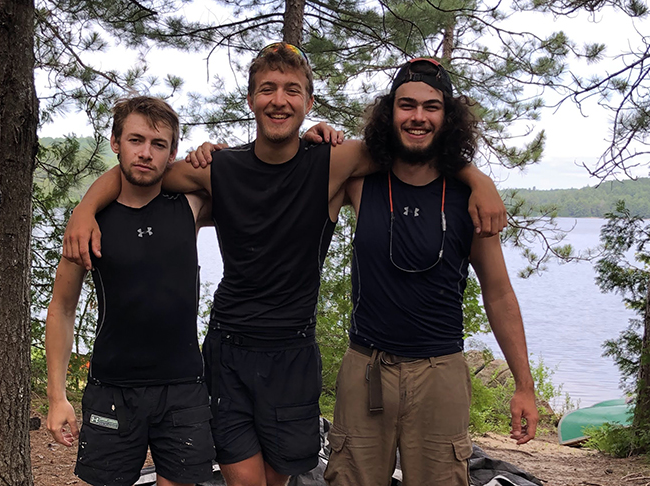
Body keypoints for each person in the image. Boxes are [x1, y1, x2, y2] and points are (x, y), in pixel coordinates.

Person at [61, 43, 507, 486]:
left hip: (293, 352)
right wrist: (85, 209)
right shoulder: (219, 169)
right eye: (267, 89)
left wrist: (476, 178)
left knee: (278, 479)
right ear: (251, 99)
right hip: (228, 349)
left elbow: (417, 142)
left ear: (309, 102)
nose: (279, 100)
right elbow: (141, 170)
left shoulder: (333, 164)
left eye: (292, 90)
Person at [322, 58, 539, 486]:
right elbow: (293, 168)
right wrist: (316, 135)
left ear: (448, 116)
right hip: (366, 368)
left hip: (440, 372)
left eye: (431, 107)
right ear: (390, 113)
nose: (418, 117)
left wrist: (524, 385)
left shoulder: (469, 198)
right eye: (406, 105)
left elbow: (498, 293)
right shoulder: (359, 182)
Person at [45, 96, 215, 486]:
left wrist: (210, 155)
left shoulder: (190, 205)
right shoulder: (88, 225)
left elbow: (257, 183)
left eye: (159, 145)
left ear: (172, 153)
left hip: (183, 387)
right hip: (112, 387)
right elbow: (62, 308)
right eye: (136, 140)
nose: (145, 153)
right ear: (115, 142)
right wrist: (57, 397)